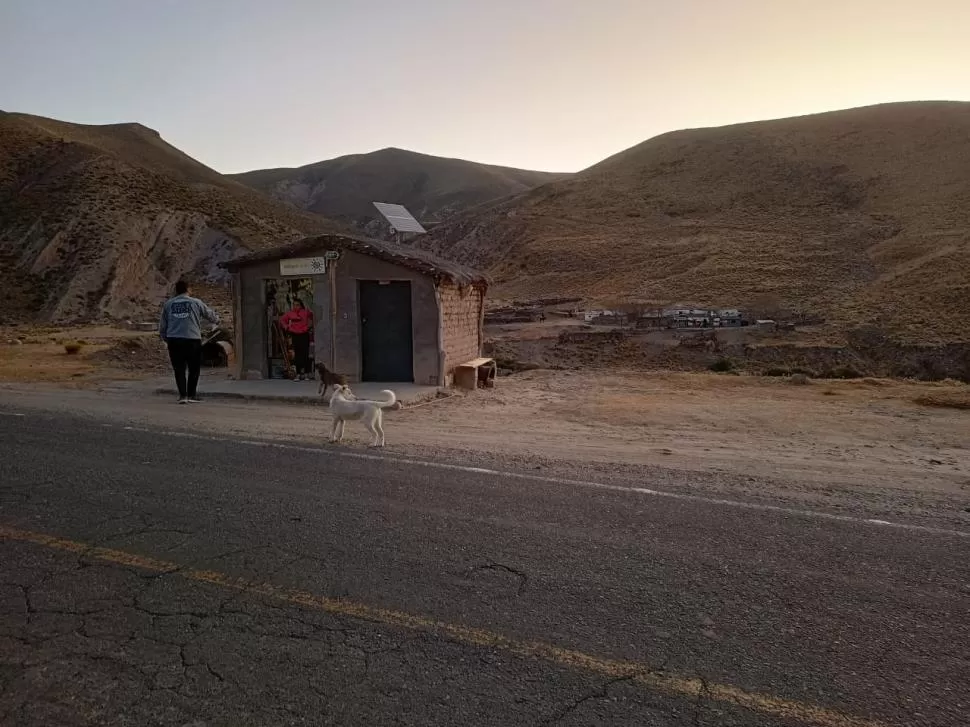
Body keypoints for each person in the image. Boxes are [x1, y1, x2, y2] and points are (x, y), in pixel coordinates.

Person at [159, 280, 219, 404]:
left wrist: (166, 338)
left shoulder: (168, 304)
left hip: (174, 340)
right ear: (188, 289)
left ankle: (183, 396)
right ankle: (192, 395)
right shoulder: (196, 302)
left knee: (179, 369)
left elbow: (163, 326)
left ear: (176, 290)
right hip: (192, 339)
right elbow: (211, 316)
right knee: (194, 368)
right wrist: (216, 321)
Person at [280, 298, 313, 381]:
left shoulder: (305, 312)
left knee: (305, 353)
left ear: (301, 305)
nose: (295, 306)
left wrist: (308, 326)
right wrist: (287, 327)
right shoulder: (290, 313)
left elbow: (312, 317)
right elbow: (282, 320)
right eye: (294, 305)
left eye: (297, 305)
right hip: (295, 335)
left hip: (304, 334)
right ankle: (298, 374)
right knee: (297, 354)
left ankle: (305, 374)